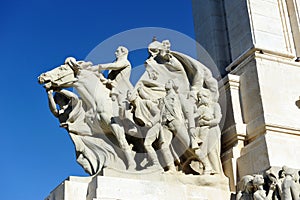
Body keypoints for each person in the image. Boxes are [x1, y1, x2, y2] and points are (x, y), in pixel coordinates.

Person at [195, 88, 223, 175]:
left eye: (201, 97)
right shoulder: (200, 108)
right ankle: (208, 169)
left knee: (212, 150)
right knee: (203, 150)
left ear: (206, 96)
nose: (199, 99)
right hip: (203, 131)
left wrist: (206, 122)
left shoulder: (215, 105)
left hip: (212, 129)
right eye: (198, 97)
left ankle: (217, 171)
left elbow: (217, 120)